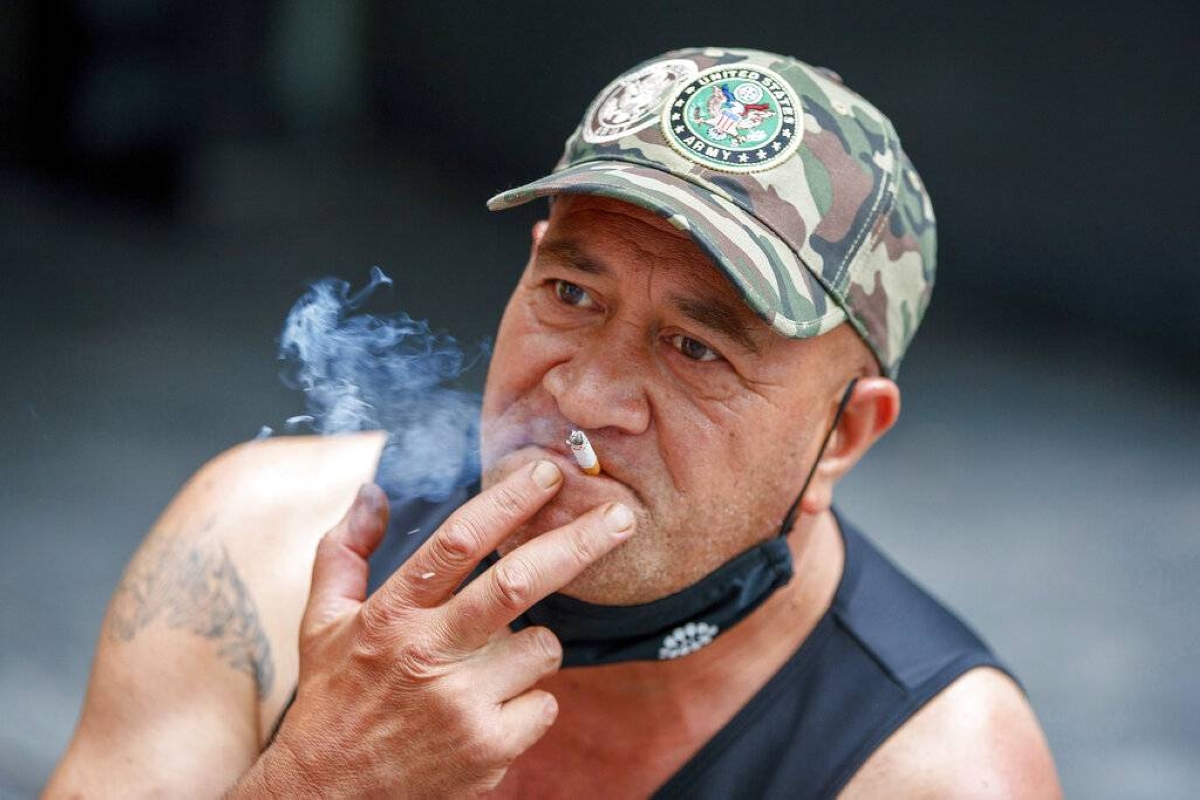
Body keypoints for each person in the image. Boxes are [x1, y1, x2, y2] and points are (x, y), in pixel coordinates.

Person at [47, 47, 1061, 797]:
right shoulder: (260, 541)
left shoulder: (932, 767)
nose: (581, 396)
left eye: (698, 348)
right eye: (573, 293)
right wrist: (320, 775)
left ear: (842, 434)